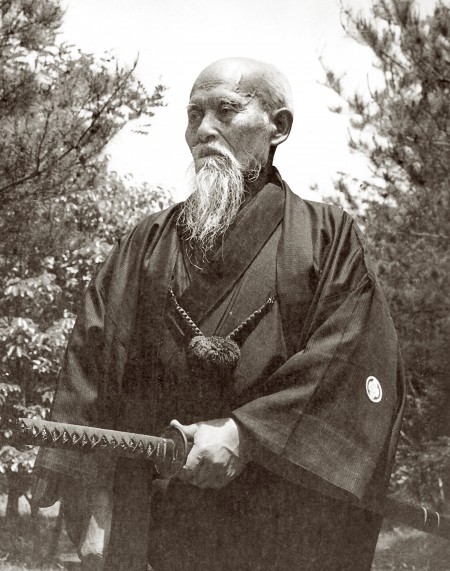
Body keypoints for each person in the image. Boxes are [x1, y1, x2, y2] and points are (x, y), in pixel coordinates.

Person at [33, 57, 405, 571]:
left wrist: (243, 435)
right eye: (194, 114)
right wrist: (92, 496)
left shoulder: (326, 237)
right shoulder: (146, 242)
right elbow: (92, 364)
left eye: (226, 111)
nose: (204, 129)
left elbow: (347, 358)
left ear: (279, 127)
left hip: (274, 519)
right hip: (153, 512)